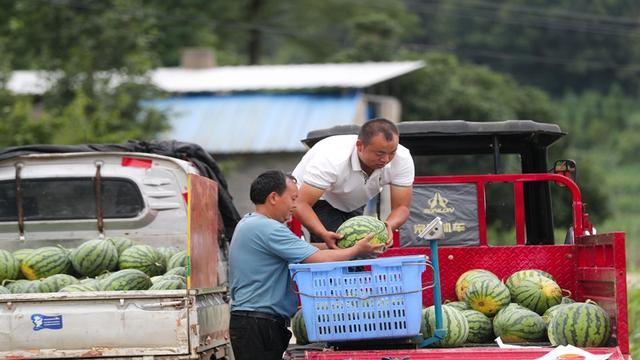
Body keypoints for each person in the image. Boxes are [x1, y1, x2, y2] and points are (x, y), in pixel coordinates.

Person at [228, 170, 383, 360]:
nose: (295, 205)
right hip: (258, 323)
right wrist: (356, 250)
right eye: (293, 198)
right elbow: (317, 258)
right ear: (274, 197)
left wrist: (331, 244)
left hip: (255, 322)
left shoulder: (253, 222)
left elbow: (302, 247)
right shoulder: (267, 228)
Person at [292, 118, 414, 248]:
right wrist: (323, 234)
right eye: (380, 154)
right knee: (339, 248)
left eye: (392, 153)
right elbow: (300, 203)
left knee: (359, 249)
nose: (386, 159)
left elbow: (402, 207)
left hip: (353, 200)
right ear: (360, 146)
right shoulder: (332, 158)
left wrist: (387, 226)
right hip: (320, 196)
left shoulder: (402, 158)